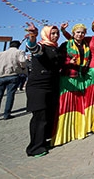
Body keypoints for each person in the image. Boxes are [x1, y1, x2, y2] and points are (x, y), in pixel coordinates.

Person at [25, 23, 63, 157]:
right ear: (46, 34)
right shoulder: (42, 46)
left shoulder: (55, 48)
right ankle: (34, 147)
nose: (55, 36)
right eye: (52, 33)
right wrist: (32, 36)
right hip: (38, 87)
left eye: (57, 33)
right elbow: (33, 48)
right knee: (39, 117)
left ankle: (43, 141)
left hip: (51, 85)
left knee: (49, 115)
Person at [52, 23, 91, 147]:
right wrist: (69, 62)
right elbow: (58, 61)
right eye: (78, 32)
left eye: (82, 32)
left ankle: (78, 130)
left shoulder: (86, 46)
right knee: (66, 105)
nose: (80, 34)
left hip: (80, 78)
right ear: (73, 33)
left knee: (79, 105)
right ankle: (64, 132)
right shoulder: (66, 45)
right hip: (67, 78)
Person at [0, 40, 27, 121]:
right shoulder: (19, 52)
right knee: (10, 95)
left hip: (0, 76)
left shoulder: (0, 53)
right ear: (18, 46)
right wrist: (22, 67)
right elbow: (23, 61)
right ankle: (6, 114)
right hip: (13, 75)